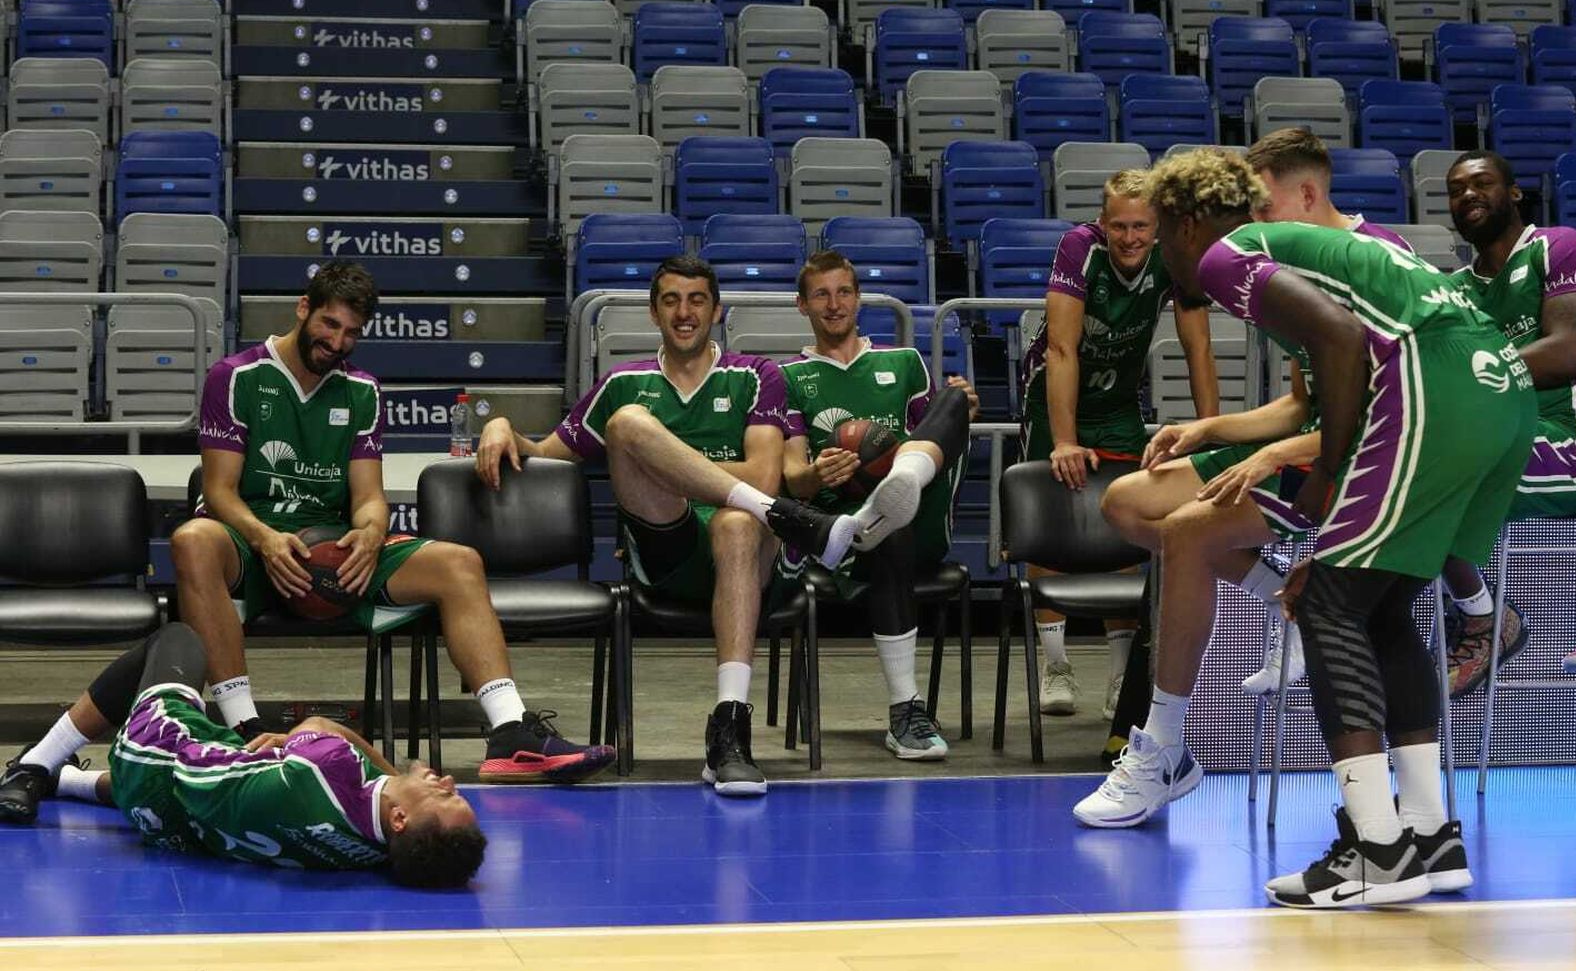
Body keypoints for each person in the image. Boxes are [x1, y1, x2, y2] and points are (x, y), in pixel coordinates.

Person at [1120, 146, 1534, 908]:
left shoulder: (1227, 253)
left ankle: (1378, 848)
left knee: (1328, 605)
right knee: (1379, 608)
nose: (1155, 260)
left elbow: (1342, 341)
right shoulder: (1303, 247)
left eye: (1156, 236)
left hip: (1434, 382)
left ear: (1185, 222)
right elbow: (1343, 350)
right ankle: (1431, 834)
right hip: (1499, 388)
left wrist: (1322, 477)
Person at [172, 261, 615, 785]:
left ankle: (511, 733)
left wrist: (369, 533)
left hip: (331, 545)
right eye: (330, 325)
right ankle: (245, 732)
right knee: (192, 538)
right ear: (303, 309)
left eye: (352, 333)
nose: (338, 343)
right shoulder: (236, 377)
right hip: (252, 540)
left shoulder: (361, 391)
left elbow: (369, 498)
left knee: (459, 562)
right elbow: (218, 491)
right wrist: (265, 538)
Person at [1087, 129, 1422, 800]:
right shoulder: (1277, 260)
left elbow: (1390, 405)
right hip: (1312, 441)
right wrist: (1207, 427)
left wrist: (1279, 455)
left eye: (1263, 209)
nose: (1256, 225)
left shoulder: (1373, 254)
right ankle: (1280, 600)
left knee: (1187, 532)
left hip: (1365, 456)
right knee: (1126, 502)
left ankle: (1161, 751)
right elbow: (1302, 405)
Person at [476, 256, 888, 797]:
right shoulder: (624, 383)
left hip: (745, 551)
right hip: (666, 546)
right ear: (653, 314)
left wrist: (662, 461)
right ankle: (791, 520)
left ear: (716, 311)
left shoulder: (756, 376)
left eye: (696, 300)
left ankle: (730, 730)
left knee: (739, 522)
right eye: (670, 300)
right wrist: (502, 422)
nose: (684, 312)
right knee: (627, 424)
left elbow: (764, 473)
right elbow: (548, 452)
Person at [0, 624, 485, 888]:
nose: (448, 783)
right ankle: (66, 781)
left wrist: (401, 771)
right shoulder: (375, 856)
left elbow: (320, 728)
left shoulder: (328, 767)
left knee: (179, 640)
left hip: (152, 754)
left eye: (441, 797)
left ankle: (36, 763)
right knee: (227, 770)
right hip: (172, 828)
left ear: (400, 818)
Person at [1019, 168, 1218, 720]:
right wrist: (1063, 440)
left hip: (1120, 404)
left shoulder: (1175, 255)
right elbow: (1061, 349)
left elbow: (1198, 348)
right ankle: (1056, 666)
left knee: (1126, 525)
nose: (1131, 238)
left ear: (1159, 226)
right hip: (1057, 396)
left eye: (1142, 226)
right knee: (1056, 520)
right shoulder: (1079, 249)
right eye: (1120, 226)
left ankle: (1121, 679)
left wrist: (1210, 436)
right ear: (1102, 223)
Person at [778, 250, 980, 760]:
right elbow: (792, 479)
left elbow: (942, 428)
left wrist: (960, 411)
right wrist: (817, 472)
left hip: (918, 506)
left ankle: (899, 486)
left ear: (859, 299)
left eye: (843, 291)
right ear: (802, 305)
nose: (834, 304)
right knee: (890, 529)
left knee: (954, 401)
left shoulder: (904, 362)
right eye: (820, 294)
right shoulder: (785, 378)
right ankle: (905, 709)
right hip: (846, 532)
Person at [1437, 151, 1576, 692]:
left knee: (1428, 476)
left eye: (1482, 183)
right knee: (1408, 465)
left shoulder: (1559, 246)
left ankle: (1481, 618)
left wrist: (1470, 375)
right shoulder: (1454, 289)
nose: (1468, 195)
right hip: (1505, 440)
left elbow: (1567, 354)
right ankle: (1483, 612)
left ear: (1513, 193)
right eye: (1456, 189)